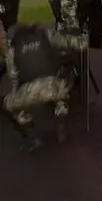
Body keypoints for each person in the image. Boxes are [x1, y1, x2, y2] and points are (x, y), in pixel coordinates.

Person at [1, 23, 88, 151]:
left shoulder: (12, 48)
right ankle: (61, 124)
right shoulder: (45, 34)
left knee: (8, 105)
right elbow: (70, 42)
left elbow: (13, 76)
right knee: (63, 88)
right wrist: (84, 40)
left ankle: (31, 136)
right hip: (56, 87)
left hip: (31, 91)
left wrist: (18, 93)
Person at [46, 0, 87, 90]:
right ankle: (62, 103)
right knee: (68, 65)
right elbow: (68, 12)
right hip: (68, 30)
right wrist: (76, 33)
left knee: (61, 63)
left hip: (58, 27)